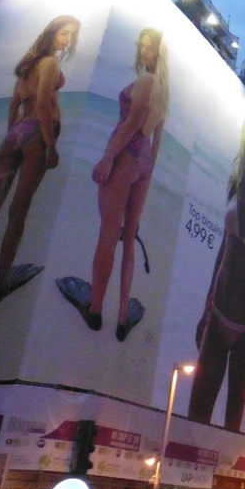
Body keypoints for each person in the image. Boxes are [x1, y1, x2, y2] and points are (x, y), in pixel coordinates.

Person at [57, 28, 169, 341]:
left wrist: (108, 158)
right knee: (129, 239)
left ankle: (94, 311)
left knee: (108, 234)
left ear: (159, 53)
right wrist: (146, 169)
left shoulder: (146, 81)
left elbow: (132, 122)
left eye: (149, 47)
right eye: (142, 46)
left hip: (126, 152)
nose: (143, 51)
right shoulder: (164, 91)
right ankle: (121, 319)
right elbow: (156, 140)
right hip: (143, 158)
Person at [0, 15, 80, 303]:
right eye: (64, 33)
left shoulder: (27, 64)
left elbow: (14, 103)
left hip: (18, 131)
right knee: (18, 212)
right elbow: (44, 103)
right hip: (37, 134)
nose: (67, 40)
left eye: (70, 35)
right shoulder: (50, 63)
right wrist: (50, 144)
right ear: (52, 32)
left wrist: (12, 136)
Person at [188, 110, 245, 432]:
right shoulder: (233, 190)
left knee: (231, 430)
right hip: (217, 311)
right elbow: (222, 252)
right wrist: (204, 308)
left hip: (243, 324)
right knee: (195, 416)